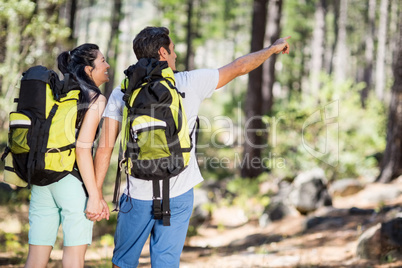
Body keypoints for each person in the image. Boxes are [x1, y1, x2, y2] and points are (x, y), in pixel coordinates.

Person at [93, 26, 290, 268]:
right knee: (166, 262)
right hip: (179, 191)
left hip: (137, 194)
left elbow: (104, 149)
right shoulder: (188, 82)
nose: (175, 56)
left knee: (122, 262)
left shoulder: (121, 91)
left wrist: (96, 195)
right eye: (172, 50)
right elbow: (240, 67)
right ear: (163, 52)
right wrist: (272, 48)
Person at [24, 43, 110, 268]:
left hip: (42, 179)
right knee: (73, 259)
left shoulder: (58, 94)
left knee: (35, 258)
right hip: (70, 182)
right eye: (102, 61)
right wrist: (94, 195)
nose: (107, 65)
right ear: (88, 70)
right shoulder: (95, 99)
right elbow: (82, 149)